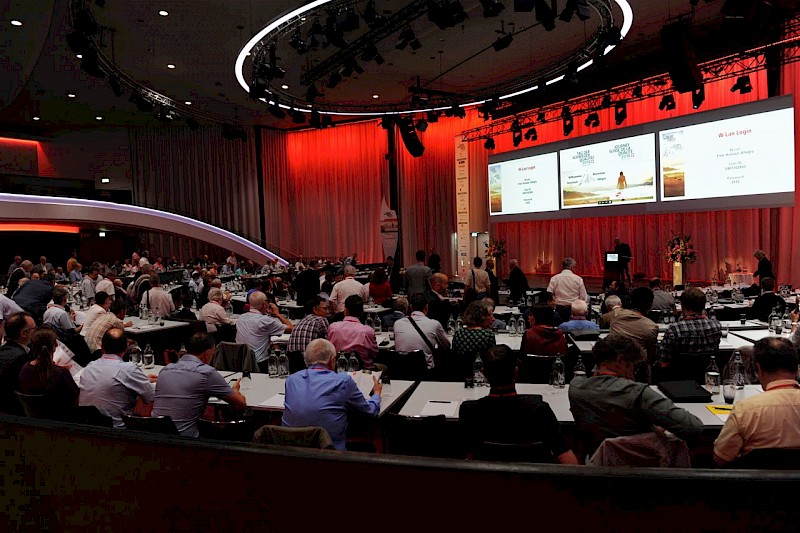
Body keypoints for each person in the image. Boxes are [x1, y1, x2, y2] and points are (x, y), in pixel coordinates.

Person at [569, 336, 704, 455]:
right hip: (642, 467)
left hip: (594, 465)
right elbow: (693, 427)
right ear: (621, 361)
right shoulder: (638, 393)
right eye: (633, 367)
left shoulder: (575, 388)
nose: (633, 375)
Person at [459, 345, 579, 464]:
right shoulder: (540, 410)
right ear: (516, 372)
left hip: (486, 475)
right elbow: (568, 459)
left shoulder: (469, 411)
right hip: (533, 475)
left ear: (483, 373)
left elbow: (465, 458)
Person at [282, 338, 381, 451]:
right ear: (332, 360)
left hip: (290, 453)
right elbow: (369, 411)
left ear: (306, 361)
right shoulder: (343, 381)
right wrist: (376, 394)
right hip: (329, 454)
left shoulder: (291, 380)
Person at [714, 337, 800, 466]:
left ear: (758, 369)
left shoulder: (744, 410)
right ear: (797, 369)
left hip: (756, 478)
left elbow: (721, 458)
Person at [152, 333, 247, 437]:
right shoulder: (206, 373)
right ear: (207, 354)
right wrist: (235, 390)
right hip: (184, 440)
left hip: (154, 435)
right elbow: (240, 404)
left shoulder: (165, 370)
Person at [78, 328, 157, 429]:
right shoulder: (129, 369)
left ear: (101, 346)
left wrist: (142, 380)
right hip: (118, 430)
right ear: (126, 347)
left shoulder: (89, 367)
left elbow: (108, 383)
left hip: (86, 427)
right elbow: (151, 396)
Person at [18, 327, 80, 420]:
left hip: (33, 420)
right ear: (55, 346)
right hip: (61, 420)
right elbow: (76, 399)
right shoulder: (61, 373)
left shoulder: (25, 369)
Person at [235, 291, 293, 374]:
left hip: (241, 361)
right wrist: (277, 314)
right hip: (259, 362)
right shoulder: (265, 321)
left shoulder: (241, 318)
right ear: (263, 304)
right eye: (267, 301)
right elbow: (290, 328)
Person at [660, 287, 722, 362]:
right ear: (703, 306)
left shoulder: (674, 329)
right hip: (708, 368)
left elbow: (664, 363)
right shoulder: (716, 326)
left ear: (682, 306)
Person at [393, 293, 450, 369]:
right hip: (425, 370)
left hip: (401, 369)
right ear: (427, 307)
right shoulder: (434, 324)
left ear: (410, 307)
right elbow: (447, 345)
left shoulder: (397, 323)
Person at [609, 287, 659, 365]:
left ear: (630, 302)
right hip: (637, 368)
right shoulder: (651, 327)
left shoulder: (615, 316)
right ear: (650, 305)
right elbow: (651, 355)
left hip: (613, 364)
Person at [327, 295, 378, 369]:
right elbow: (374, 354)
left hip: (338, 369)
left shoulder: (333, 327)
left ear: (345, 310)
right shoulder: (368, 331)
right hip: (365, 371)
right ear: (362, 312)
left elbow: (329, 350)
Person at [0, 312, 36, 414]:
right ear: (23, 334)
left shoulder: (4, 349)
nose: (36, 332)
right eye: (34, 329)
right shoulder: (21, 359)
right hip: (13, 413)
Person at [452, 300, 496, 379]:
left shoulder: (458, 333)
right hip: (482, 376)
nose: (493, 319)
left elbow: (454, 356)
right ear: (482, 317)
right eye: (489, 315)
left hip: (460, 375)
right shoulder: (488, 335)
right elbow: (492, 360)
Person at [547, 258, 589, 324]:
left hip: (559, 308)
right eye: (575, 266)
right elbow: (583, 296)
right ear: (571, 267)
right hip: (574, 309)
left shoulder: (555, 278)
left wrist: (553, 301)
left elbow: (549, 292)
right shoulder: (578, 279)